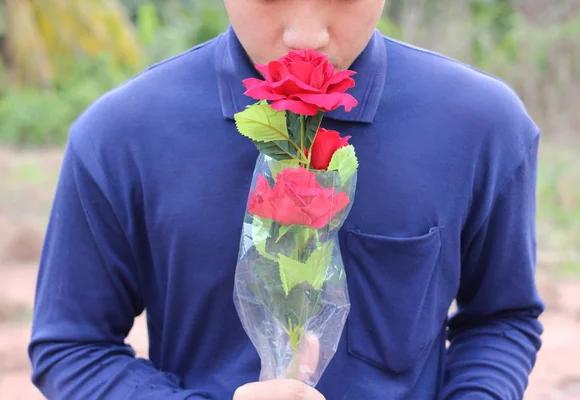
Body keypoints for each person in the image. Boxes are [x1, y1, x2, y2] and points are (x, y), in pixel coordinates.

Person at [28, 0, 545, 399]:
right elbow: (72, 345)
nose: (305, 34)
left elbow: (502, 316)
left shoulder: (482, 127)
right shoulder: (121, 136)